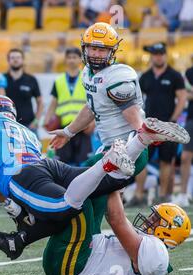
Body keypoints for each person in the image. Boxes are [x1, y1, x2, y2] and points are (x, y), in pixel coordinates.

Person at [0, 95, 189, 260]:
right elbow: (7, 189)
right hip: (44, 166)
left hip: (22, 176)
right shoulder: (26, 132)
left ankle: (110, 159)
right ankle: (141, 139)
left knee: (67, 206)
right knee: (101, 186)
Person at [49, 22, 149, 205]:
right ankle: (98, 235)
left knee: (77, 188)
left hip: (125, 148)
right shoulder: (87, 73)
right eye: (92, 48)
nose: (95, 54)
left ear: (113, 51)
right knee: (109, 208)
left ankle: (88, 234)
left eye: (102, 50)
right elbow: (90, 108)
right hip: (110, 148)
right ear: (84, 48)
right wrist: (68, 132)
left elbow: (134, 117)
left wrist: (133, 147)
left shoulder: (117, 76)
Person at [43, 192, 190, 275]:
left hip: (75, 269)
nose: (149, 219)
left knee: (79, 199)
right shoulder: (152, 247)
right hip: (86, 257)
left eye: (157, 220)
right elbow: (114, 214)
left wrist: (114, 181)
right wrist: (114, 186)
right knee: (98, 192)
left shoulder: (158, 254)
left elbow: (116, 220)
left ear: (169, 231)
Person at [136, 42, 187, 205]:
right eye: (155, 54)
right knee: (141, 160)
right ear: (152, 56)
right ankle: (139, 196)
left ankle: (163, 196)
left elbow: (182, 98)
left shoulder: (174, 75)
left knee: (166, 161)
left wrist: (172, 119)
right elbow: (136, 100)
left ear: (165, 55)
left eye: (160, 54)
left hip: (167, 126)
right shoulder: (145, 76)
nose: (158, 57)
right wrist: (139, 120)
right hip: (147, 126)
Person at [44, 47, 91, 166]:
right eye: (69, 57)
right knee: (63, 163)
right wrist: (46, 120)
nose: (71, 60)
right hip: (64, 127)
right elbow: (53, 103)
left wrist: (93, 122)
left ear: (80, 59)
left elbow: (93, 101)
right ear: (65, 60)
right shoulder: (59, 80)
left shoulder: (87, 78)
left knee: (83, 163)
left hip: (83, 125)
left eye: (74, 57)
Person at [4, 48, 43, 131]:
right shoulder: (2, 79)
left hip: (28, 126)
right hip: (7, 125)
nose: (15, 60)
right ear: (8, 60)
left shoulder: (31, 79)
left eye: (18, 57)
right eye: (13, 58)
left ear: (22, 60)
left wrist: (36, 121)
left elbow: (40, 102)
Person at [176, 64, 193, 206]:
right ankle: (183, 194)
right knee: (185, 157)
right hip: (191, 119)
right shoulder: (189, 71)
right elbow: (183, 94)